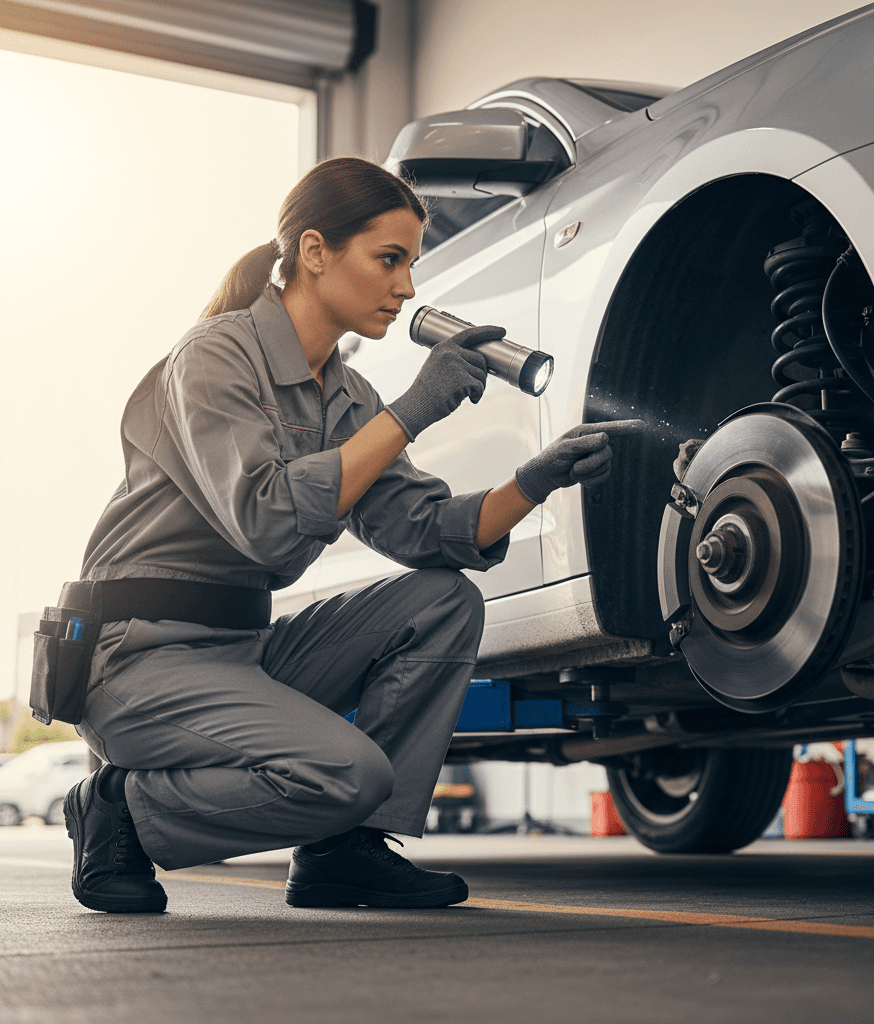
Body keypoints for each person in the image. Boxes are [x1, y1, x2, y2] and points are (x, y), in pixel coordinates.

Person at [62, 156, 642, 915]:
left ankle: (347, 852)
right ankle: (120, 809)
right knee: (348, 773)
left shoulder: (347, 396)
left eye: (411, 265)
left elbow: (429, 531)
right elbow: (265, 523)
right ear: (314, 251)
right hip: (137, 658)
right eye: (389, 260)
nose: (407, 287)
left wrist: (535, 480)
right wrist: (412, 411)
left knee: (442, 601)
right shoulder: (212, 357)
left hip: (238, 653)